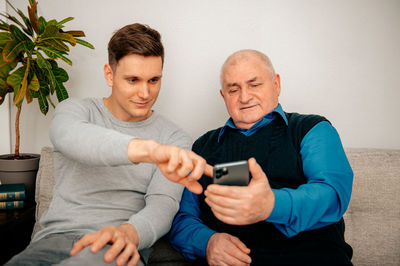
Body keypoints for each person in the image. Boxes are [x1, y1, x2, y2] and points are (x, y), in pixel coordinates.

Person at [6, 23, 212, 266]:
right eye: (133, 80)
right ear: (109, 74)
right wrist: (151, 151)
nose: (145, 93)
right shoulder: (76, 111)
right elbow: (74, 138)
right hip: (51, 241)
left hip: (117, 246)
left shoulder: (174, 138)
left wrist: (129, 234)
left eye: (154, 80)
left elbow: (162, 204)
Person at [169, 49, 354, 265]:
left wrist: (271, 205)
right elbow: (182, 219)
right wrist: (207, 242)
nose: (245, 97)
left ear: (276, 84)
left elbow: (331, 195)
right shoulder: (203, 147)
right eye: (233, 90)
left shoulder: (311, 129)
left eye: (254, 85)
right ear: (223, 96)